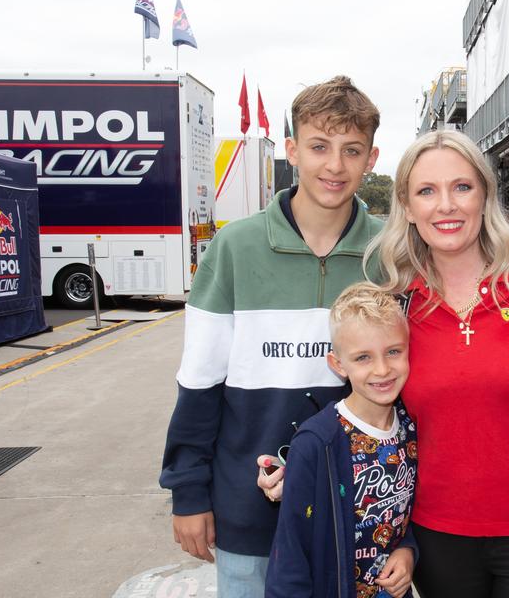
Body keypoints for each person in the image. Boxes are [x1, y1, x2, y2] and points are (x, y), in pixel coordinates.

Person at [160, 76, 384, 597]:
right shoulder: (234, 248)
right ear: (292, 150)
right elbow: (198, 382)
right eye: (319, 146)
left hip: (359, 505)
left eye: (352, 150)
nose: (335, 165)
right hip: (248, 507)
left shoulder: (391, 252)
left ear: (371, 158)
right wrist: (188, 493)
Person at [364, 129, 509, 597]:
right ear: (408, 208)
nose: (446, 206)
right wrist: (305, 465)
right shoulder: (395, 308)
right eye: (427, 191)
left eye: (462, 187)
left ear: (485, 197)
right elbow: (365, 414)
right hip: (436, 536)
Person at [266, 283, 418, 598]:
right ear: (338, 365)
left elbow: (406, 515)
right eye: (363, 357)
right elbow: (290, 550)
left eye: (393, 351)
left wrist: (408, 551)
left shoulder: (410, 427)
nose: (382, 369)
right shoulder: (316, 443)